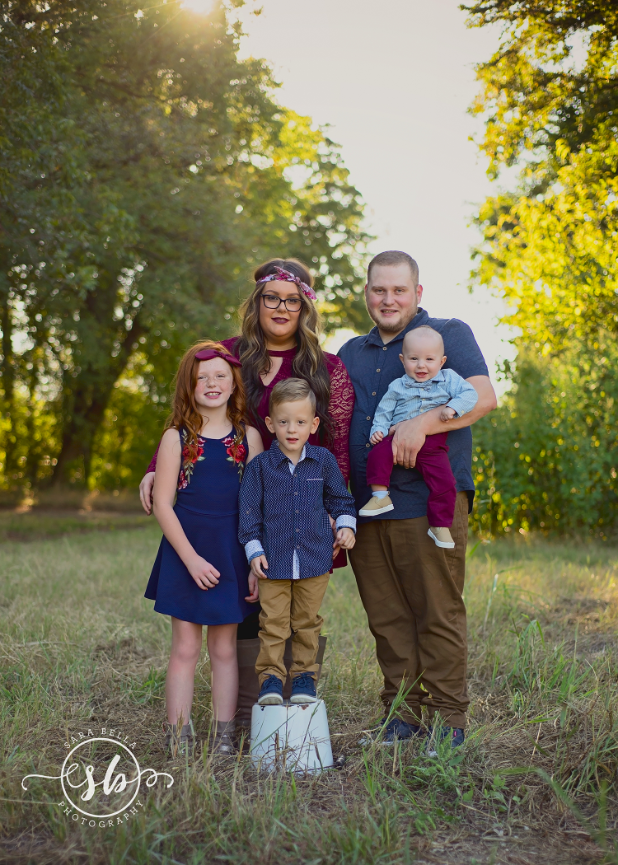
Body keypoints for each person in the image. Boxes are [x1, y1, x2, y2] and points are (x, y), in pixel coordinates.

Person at [338, 250, 497, 747]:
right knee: (386, 617)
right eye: (379, 290)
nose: (388, 299)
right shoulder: (350, 352)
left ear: (417, 293)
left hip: (430, 500)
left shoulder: (448, 334)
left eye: (399, 290)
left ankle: (449, 721)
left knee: (437, 610)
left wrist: (422, 424)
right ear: (367, 293)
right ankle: (402, 716)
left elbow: (484, 397)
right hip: (367, 503)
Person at [144, 340, 263, 757]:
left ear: (234, 383)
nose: (212, 383)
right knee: (185, 648)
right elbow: (163, 504)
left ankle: (224, 737)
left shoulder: (249, 438)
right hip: (186, 551)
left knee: (224, 649)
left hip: (232, 552)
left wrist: (255, 562)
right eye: (202, 378)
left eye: (220, 376)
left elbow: (257, 505)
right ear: (189, 386)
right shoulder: (176, 438)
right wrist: (191, 559)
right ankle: (177, 735)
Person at [238, 379, 357, 706]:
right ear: (270, 424)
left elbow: (341, 500)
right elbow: (249, 511)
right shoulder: (260, 467)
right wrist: (253, 549)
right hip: (272, 562)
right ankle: (271, 680)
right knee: (273, 624)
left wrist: (346, 527)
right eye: (284, 421)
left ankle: (305, 677)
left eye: (301, 422)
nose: (292, 429)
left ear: (313, 424)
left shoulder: (323, 461)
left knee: (307, 622)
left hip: (315, 560)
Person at [359, 325, 478, 551]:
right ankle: (380, 496)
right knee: (377, 454)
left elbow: (470, 394)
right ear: (403, 360)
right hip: (396, 436)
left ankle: (439, 525)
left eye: (429, 359)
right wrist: (379, 429)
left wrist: (453, 407)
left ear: (442, 361)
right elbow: (384, 410)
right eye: (414, 359)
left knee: (445, 483)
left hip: (432, 442)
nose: (421, 365)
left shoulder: (448, 379)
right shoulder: (397, 386)